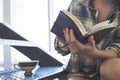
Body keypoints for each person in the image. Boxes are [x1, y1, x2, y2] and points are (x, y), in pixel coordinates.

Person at [54, 0, 120, 80]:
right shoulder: (77, 3)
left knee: (112, 68)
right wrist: (64, 42)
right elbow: (61, 48)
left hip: (110, 69)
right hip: (79, 72)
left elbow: (117, 49)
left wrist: (94, 53)